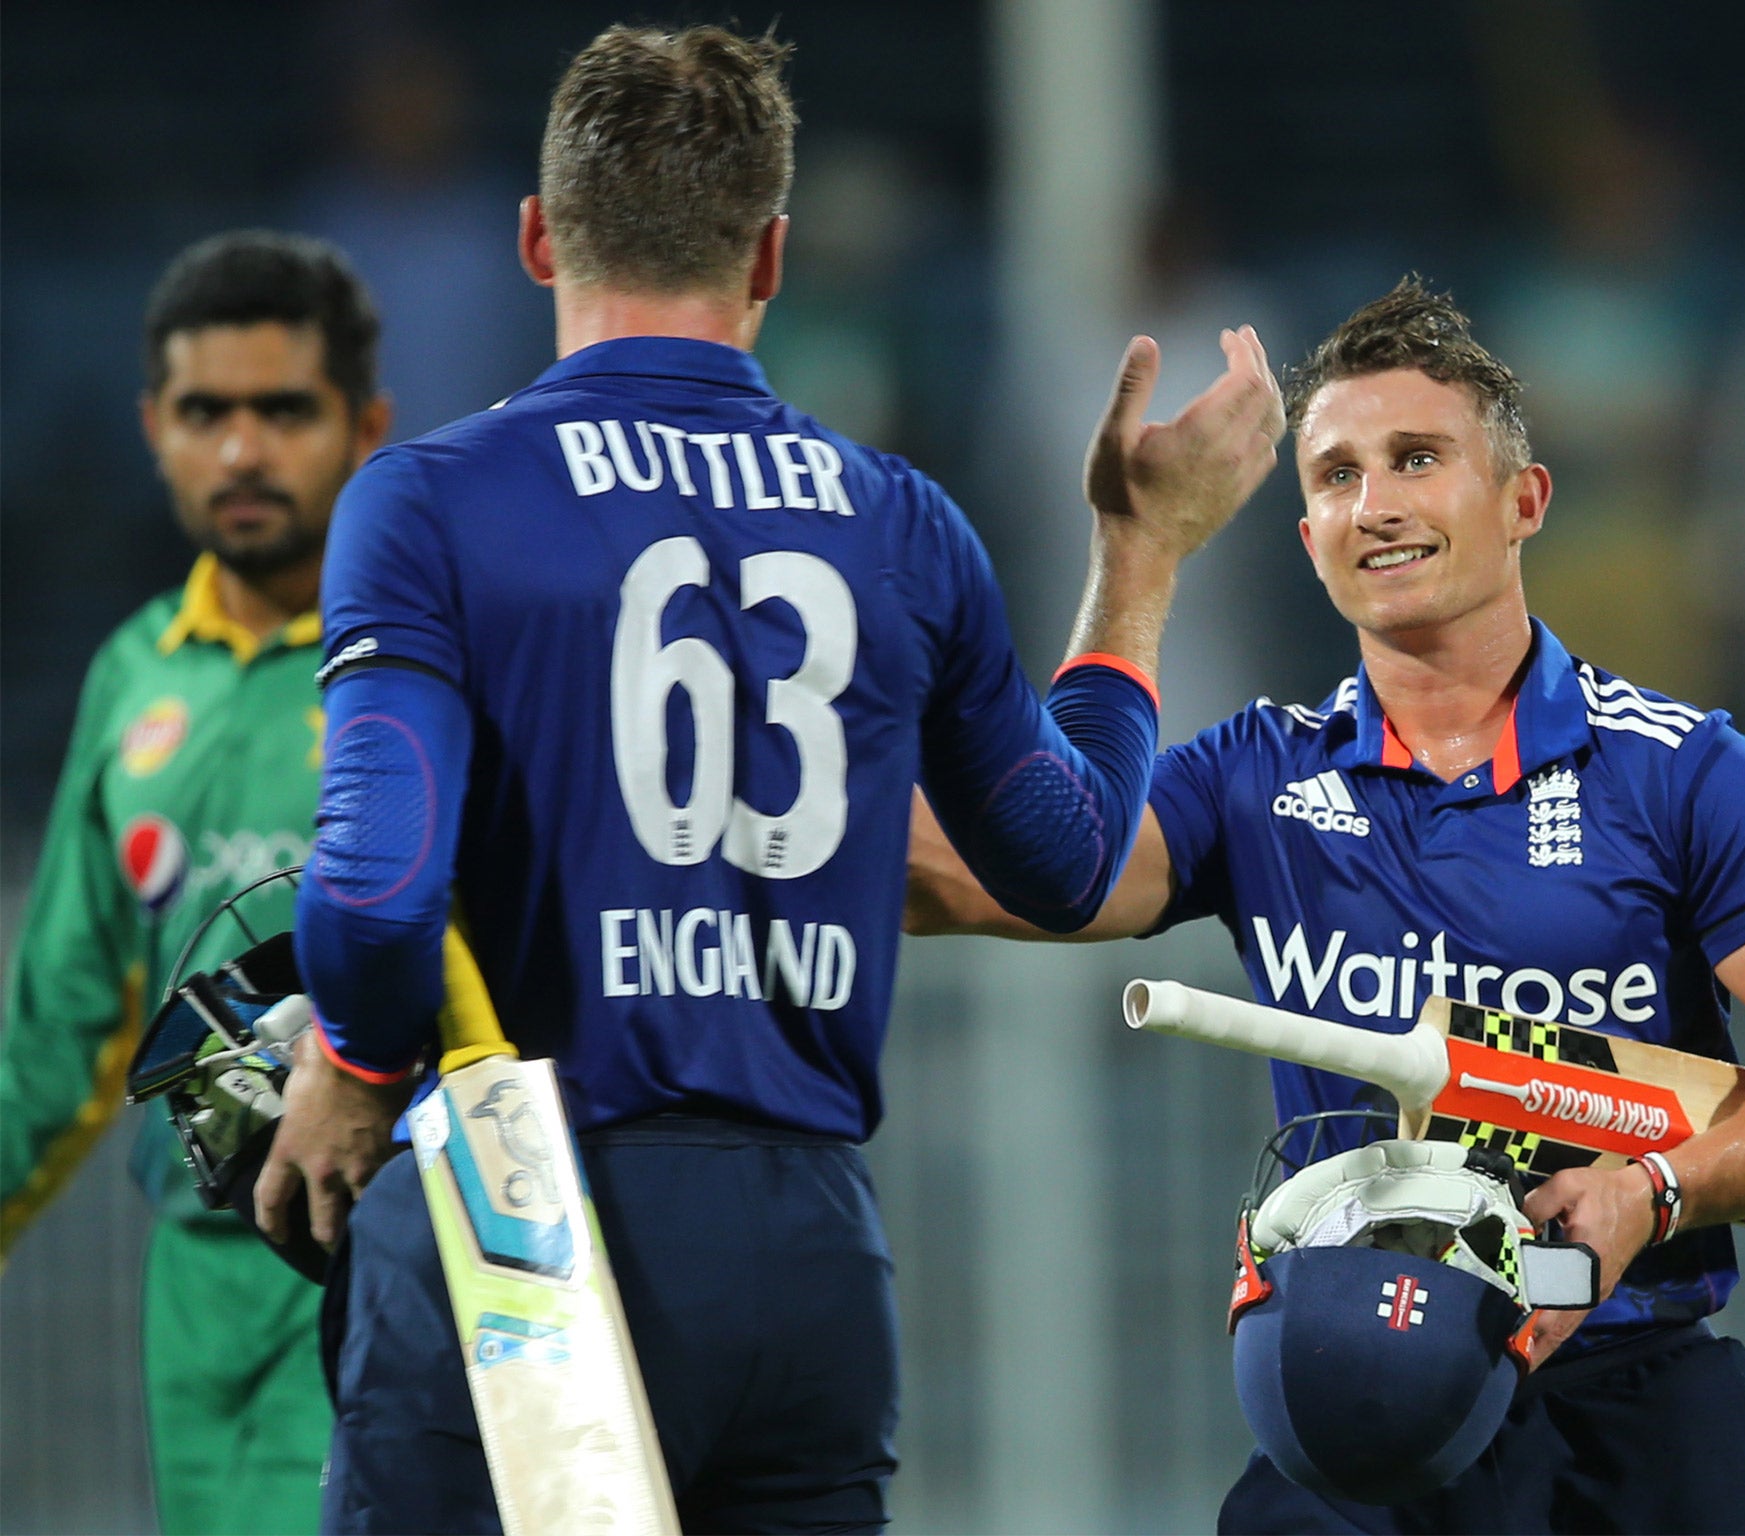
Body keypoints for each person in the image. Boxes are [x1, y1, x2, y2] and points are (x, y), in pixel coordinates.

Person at [251, 23, 1282, 1536]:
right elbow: (1066, 859)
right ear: (774, 257)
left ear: (539, 238)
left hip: (526, 1219)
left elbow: (374, 895)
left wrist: (345, 1061)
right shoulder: (900, 523)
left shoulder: (428, 503)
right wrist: (1139, 560)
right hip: (805, 1262)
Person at [904, 277, 1745, 1534]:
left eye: (1415, 459)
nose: (1375, 505)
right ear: (1306, 541)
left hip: (1632, 1395)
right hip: (1358, 1408)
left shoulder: (1678, 770)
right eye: (1336, 476)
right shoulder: (1254, 773)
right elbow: (992, 874)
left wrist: (1655, 1192)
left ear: (1523, 501)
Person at [0, 231, 390, 1536]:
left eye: (282, 411)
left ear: (365, 424)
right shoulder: (132, 678)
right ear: (153, 427)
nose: (241, 452)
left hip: (372, 1265)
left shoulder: (423, 662)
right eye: (204, 413)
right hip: (193, 1287)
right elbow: (61, 1025)